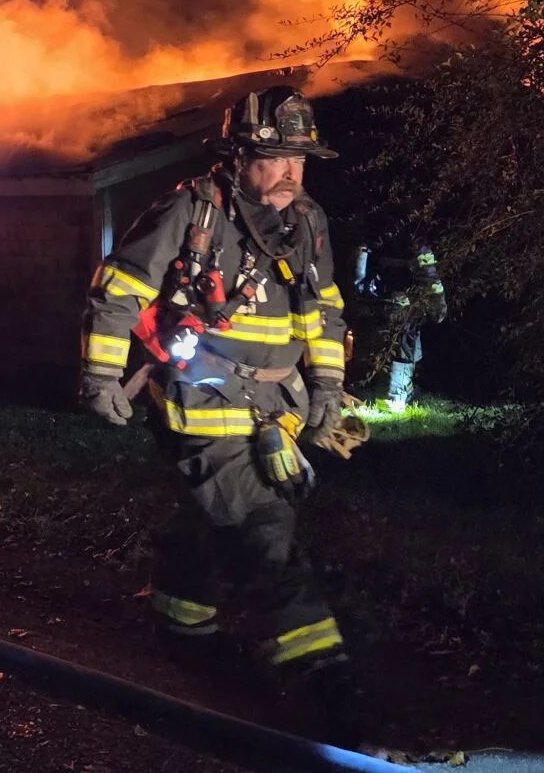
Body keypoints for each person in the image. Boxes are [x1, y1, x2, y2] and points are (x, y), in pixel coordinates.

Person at [80, 86, 353, 689]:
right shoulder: (189, 212)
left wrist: (328, 383)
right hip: (203, 402)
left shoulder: (306, 221)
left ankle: (183, 632)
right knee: (263, 524)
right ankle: (321, 679)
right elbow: (118, 292)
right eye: (276, 157)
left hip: (277, 406)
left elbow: (322, 308)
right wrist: (101, 373)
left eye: (299, 159)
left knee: (209, 522)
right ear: (238, 157)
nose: (291, 172)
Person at [353, 241, 448, 411]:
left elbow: (432, 286)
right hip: (379, 303)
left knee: (405, 339)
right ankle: (386, 388)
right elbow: (359, 281)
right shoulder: (374, 243)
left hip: (406, 308)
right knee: (399, 340)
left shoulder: (416, 248)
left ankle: (398, 396)